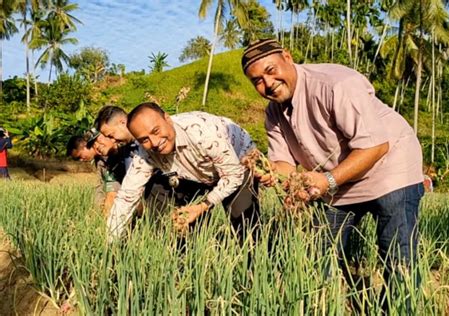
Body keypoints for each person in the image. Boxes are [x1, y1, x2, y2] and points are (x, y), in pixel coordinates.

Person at [242, 39, 424, 303]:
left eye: (271, 70)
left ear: (288, 57)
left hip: (390, 167)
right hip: (338, 180)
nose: (267, 83)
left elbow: (375, 146)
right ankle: (325, 304)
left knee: (398, 254)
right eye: (257, 80)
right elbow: (283, 163)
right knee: (320, 252)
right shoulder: (273, 113)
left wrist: (327, 180)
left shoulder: (335, 84)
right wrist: (272, 172)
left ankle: (397, 307)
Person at [107, 102, 260, 240]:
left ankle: (252, 264)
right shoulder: (145, 152)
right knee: (185, 227)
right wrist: (110, 242)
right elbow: (127, 196)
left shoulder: (202, 133)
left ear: (168, 119)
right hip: (197, 173)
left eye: (155, 131)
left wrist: (203, 206)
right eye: (144, 139)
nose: (154, 143)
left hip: (238, 163)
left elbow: (233, 175)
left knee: (245, 225)